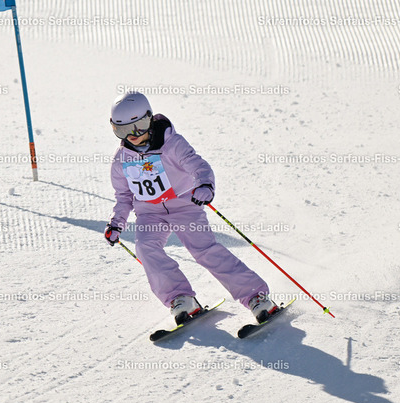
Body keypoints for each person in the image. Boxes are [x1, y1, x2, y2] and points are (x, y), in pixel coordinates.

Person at [104, 92, 277, 325]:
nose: (132, 136)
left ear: (149, 118)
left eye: (138, 127)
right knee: (145, 248)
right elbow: (124, 196)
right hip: (149, 213)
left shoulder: (171, 143)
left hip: (185, 205)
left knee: (203, 249)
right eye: (123, 130)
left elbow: (197, 165)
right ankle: (180, 298)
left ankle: (255, 296)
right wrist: (116, 223)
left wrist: (204, 184)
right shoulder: (121, 159)